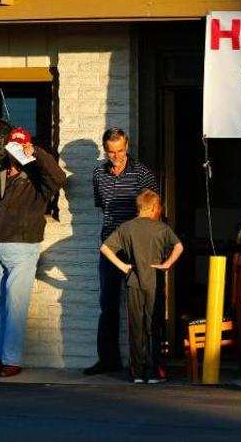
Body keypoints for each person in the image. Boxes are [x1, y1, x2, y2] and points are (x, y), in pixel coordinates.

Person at [0, 127, 66, 377]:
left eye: (21, 145)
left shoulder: (38, 177)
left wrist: (36, 153)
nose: (16, 150)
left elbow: (60, 179)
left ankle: (12, 360)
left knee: (16, 305)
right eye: (13, 145)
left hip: (22, 246)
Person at [85, 127, 158, 376]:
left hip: (137, 244)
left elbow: (153, 210)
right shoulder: (98, 174)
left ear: (127, 147)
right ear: (104, 150)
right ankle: (108, 360)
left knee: (142, 304)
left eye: (120, 151)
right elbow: (101, 206)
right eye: (111, 152)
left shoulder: (142, 173)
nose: (116, 156)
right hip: (110, 246)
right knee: (108, 303)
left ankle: (147, 362)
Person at [100, 189, 183, 383]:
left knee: (135, 327)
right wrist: (167, 264)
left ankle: (137, 373)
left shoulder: (127, 227)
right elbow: (179, 246)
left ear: (138, 207)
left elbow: (104, 247)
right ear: (155, 207)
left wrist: (123, 266)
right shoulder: (162, 228)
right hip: (154, 280)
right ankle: (155, 372)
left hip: (134, 282)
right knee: (153, 325)